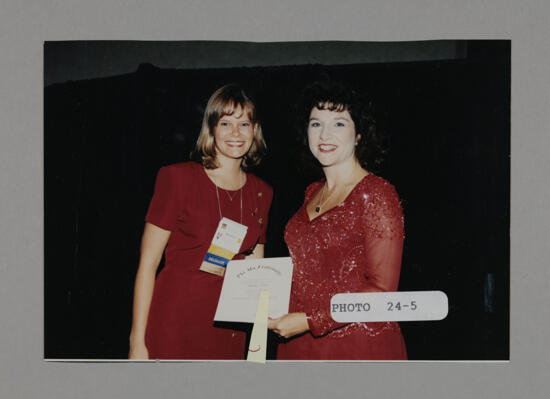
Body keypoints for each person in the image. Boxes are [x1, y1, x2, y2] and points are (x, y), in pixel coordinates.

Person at [129, 84, 273, 360]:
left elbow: (257, 276)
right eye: (226, 123)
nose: (235, 133)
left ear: (255, 130)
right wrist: (137, 342)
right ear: (211, 129)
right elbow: (147, 264)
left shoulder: (262, 192)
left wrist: (257, 346)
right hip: (175, 320)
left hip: (229, 326)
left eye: (244, 123)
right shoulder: (177, 179)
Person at [268, 80, 407, 360]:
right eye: (316, 123)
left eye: (339, 123)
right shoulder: (311, 192)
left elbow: (381, 290)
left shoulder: (376, 193)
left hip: (354, 347)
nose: (325, 134)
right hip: (298, 343)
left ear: (359, 135)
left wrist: (310, 321)